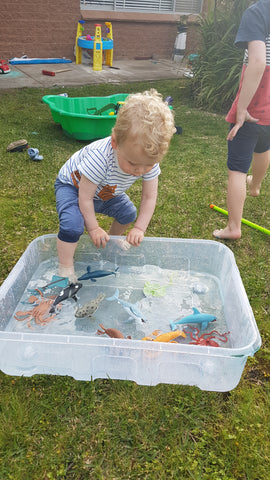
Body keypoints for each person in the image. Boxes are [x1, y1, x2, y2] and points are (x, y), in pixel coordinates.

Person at [54, 89, 176, 281]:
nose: (139, 171)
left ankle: (109, 241)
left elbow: (149, 197)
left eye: (148, 165)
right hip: (73, 187)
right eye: (133, 164)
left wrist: (139, 228)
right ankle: (65, 266)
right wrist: (93, 228)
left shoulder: (147, 161)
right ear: (114, 142)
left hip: (104, 191)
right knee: (72, 226)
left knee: (128, 213)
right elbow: (84, 198)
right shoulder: (99, 158)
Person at [213, 0, 270, 240]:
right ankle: (255, 186)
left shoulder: (258, 11)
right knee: (264, 146)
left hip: (255, 102)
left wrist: (242, 109)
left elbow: (258, 62)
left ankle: (233, 227)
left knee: (236, 169)